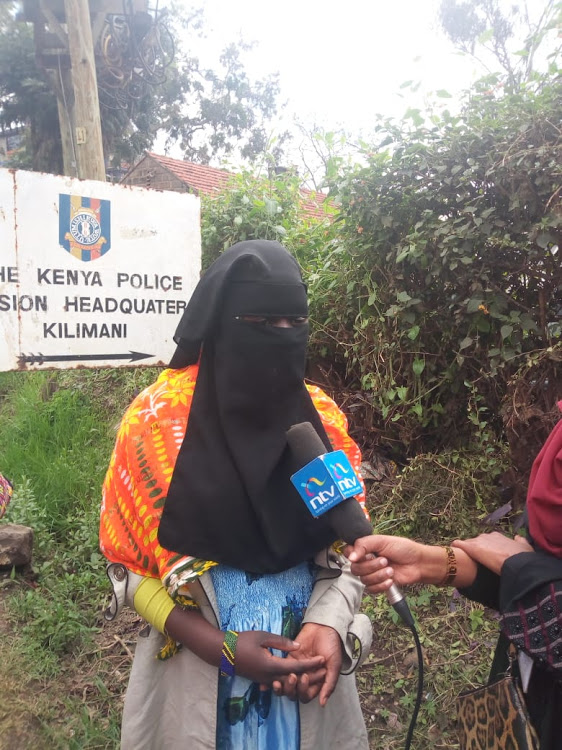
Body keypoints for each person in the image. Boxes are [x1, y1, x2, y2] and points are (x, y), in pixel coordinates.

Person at [100, 240, 372, 750]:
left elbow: (351, 550)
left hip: (309, 683)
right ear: (223, 321)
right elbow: (131, 571)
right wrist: (218, 647)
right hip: (194, 685)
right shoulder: (157, 422)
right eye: (265, 323)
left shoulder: (322, 421)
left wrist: (328, 628)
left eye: (296, 323)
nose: (284, 338)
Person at [346, 403, 562, 749]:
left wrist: (522, 568)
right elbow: (533, 572)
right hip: (531, 687)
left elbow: (529, 570)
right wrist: (428, 562)